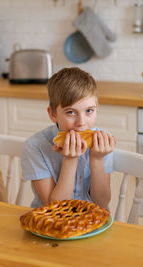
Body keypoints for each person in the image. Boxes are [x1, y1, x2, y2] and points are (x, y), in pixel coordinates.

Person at [21, 67, 116, 209]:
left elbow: (101, 203)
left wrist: (96, 159)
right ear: (53, 114)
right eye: (71, 112)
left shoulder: (101, 143)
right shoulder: (35, 147)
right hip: (51, 224)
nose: (81, 123)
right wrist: (70, 160)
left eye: (89, 111)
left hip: (92, 222)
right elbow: (55, 208)